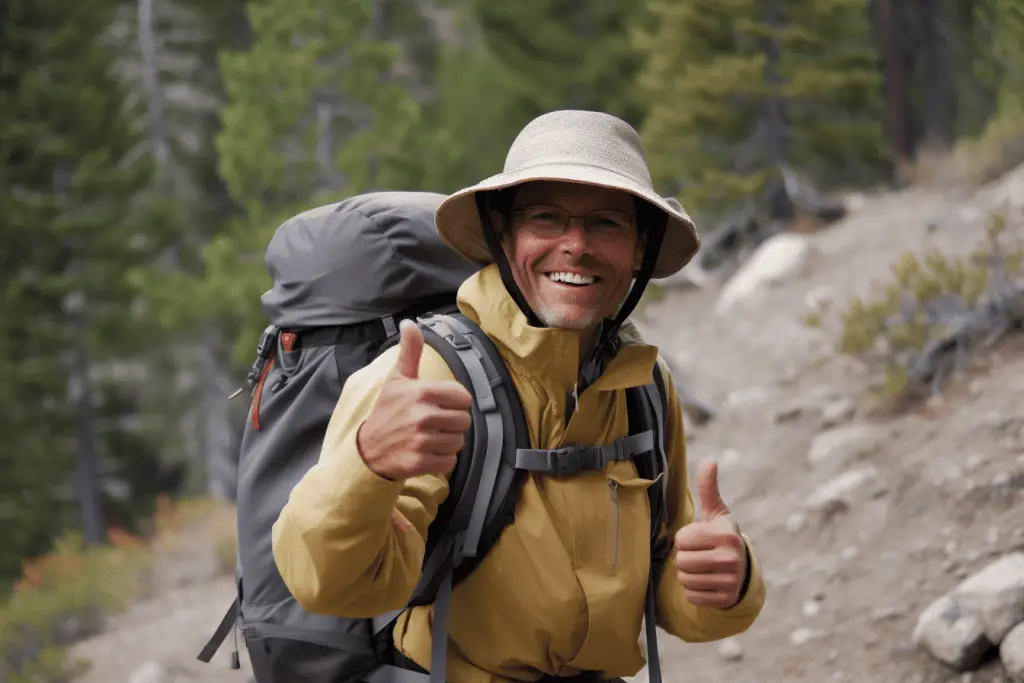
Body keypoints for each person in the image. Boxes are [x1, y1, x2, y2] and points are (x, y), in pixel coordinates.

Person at [271, 109, 766, 683]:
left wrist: (725, 582)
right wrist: (367, 465)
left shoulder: (644, 387)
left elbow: (668, 588)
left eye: (607, 223)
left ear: (638, 251)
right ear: (505, 238)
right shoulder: (425, 376)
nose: (576, 246)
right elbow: (330, 585)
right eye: (547, 218)